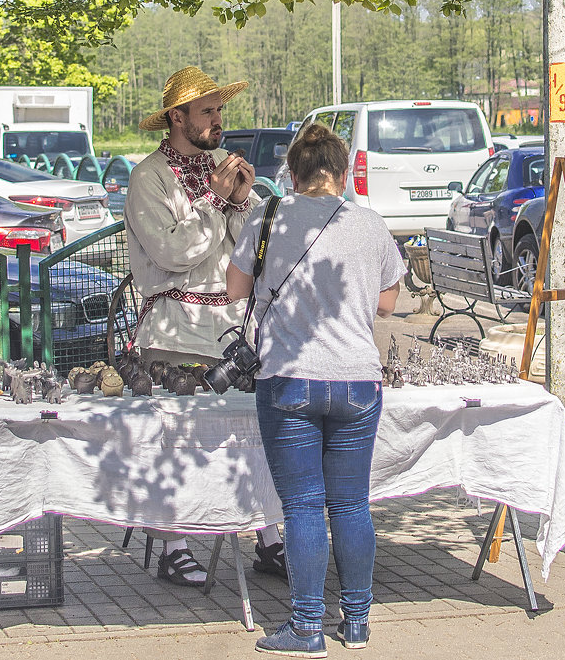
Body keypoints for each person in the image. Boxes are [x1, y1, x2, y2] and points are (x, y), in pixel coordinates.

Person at [227, 123, 405, 657]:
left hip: (289, 380)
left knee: (303, 507)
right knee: (351, 505)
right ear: (343, 172)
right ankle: (356, 623)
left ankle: (306, 627)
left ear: (294, 173)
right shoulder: (369, 224)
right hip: (357, 380)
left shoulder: (267, 217)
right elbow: (389, 303)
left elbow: (236, 290)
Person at [124, 66, 286, 587]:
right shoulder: (148, 177)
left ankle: (270, 537)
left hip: (232, 329)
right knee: (178, 436)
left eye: (220, 110)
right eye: (208, 111)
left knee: (258, 431)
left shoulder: (223, 167)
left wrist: (243, 203)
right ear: (178, 118)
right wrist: (216, 201)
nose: (219, 121)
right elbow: (172, 252)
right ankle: (174, 542)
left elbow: (257, 249)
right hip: (174, 330)